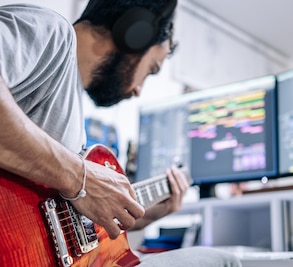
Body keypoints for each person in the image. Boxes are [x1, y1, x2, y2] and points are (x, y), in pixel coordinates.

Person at [0, 0, 241, 266]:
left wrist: (137, 214)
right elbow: (77, 180)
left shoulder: (73, 117)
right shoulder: (51, 32)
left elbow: (59, 228)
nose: (139, 90)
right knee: (223, 261)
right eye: (151, 69)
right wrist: (80, 177)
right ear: (134, 34)